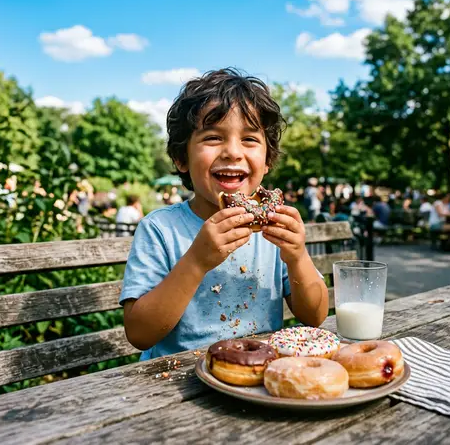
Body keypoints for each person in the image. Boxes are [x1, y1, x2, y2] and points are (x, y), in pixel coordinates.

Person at [120, 68, 328, 360]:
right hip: (178, 383)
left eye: (249, 139)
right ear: (181, 157)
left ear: (267, 160)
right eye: (213, 138)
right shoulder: (160, 229)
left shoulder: (273, 231)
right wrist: (195, 262)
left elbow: (315, 317)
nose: (232, 151)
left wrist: (297, 257)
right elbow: (140, 334)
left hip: (257, 372)